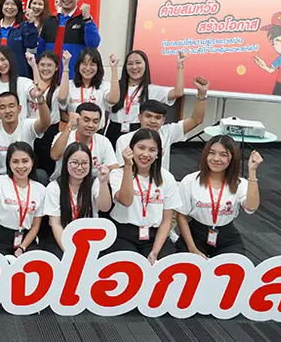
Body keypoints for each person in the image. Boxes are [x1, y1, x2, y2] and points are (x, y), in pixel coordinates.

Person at [176, 136, 263, 257]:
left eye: (223, 155)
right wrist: (192, 249)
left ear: (232, 158)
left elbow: (251, 208)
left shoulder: (239, 183)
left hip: (226, 236)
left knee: (235, 265)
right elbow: (181, 215)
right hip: (195, 235)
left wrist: (252, 172)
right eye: (212, 153)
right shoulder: (190, 181)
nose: (216, 159)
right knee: (191, 264)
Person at [108, 129, 181, 263]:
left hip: (153, 235)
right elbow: (126, 201)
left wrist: (155, 252)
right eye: (141, 148)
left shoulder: (167, 178)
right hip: (123, 234)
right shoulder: (118, 174)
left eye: (152, 150)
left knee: (164, 264)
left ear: (159, 153)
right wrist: (128, 166)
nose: (146, 154)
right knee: (131, 266)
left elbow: (166, 221)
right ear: (131, 149)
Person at [115, 76, 210, 171]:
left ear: (163, 120)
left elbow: (196, 120)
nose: (153, 121)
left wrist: (202, 94)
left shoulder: (168, 132)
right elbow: (121, 170)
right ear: (140, 117)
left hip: (160, 179)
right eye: (148, 116)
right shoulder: (124, 140)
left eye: (158, 117)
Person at [40, 143, 112, 258]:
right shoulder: (54, 187)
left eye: (84, 163)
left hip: (89, 237)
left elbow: (104, 208)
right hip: (61, 236)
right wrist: (70, 252)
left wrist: (103, 182)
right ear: (66, 163)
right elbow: (56, 224)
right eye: (74, 162)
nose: (79, 167)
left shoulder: (95, 183)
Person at [106, 50, 186, 145]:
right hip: (114, 131)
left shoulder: (152, 89)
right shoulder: (115, 88)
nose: (134, 67)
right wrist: (114, 69)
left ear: (145, 65)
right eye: (130, 64)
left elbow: (178, 92)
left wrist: (180, 66)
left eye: (138, 63)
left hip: (139, 132)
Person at [0, 142, 45, 256]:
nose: (21, 166)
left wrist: (22, 247)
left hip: (26, 241)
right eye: (15, 161)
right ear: (9, 163)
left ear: (32, 162)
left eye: (25, 161)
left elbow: (35, 226)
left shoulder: (40, 189)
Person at [38, 0, 100, 78]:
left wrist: (87, 19)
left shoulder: (84, 19)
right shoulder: (49, 20)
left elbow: (93, 44)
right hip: (49, 78)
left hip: (74, 79)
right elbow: (40, 50)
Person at [0, 91, 49, 178]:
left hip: (24, 172)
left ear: (19, 109)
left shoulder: (28, 124)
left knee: (41, 175)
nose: (7, 111)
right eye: (2, 107)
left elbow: (45, 123)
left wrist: (40, 100)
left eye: (11, 106)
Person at [50, 103, 118, 180]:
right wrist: (69, 126)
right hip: (63, 180)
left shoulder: (103, 141)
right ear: (77, 120)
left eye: (95, 122)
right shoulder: (64, 135)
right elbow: (54, 156)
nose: (91, 125)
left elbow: (114, 167)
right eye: (86, 120)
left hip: (93, 182)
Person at [27, 51, 68, 177]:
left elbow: (63, 97)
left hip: (49, 133)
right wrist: (33, 66)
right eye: (42, 65)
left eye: (49, 65)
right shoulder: (29, 86)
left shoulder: (57, 89)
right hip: (31, 129)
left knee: (46, 169)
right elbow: (38, 88)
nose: (45, 69)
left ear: (56, 68)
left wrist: (66, 66)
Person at [59, 47, 120, 130]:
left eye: (92, 64)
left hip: (96, 133)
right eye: (84, 64)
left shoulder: (104, 86)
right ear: (78, 65)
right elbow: (62, 99)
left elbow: (114, 100)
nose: (88, 68)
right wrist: (65, 66)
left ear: (98, 67)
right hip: (74, 132)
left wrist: (114, 69)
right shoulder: (69, 85)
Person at [0, 46, 37, 121]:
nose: (0, 64)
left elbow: (37, 93)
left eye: (3, 59)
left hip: (20, 126)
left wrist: (34, 66)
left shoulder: (24, 82)